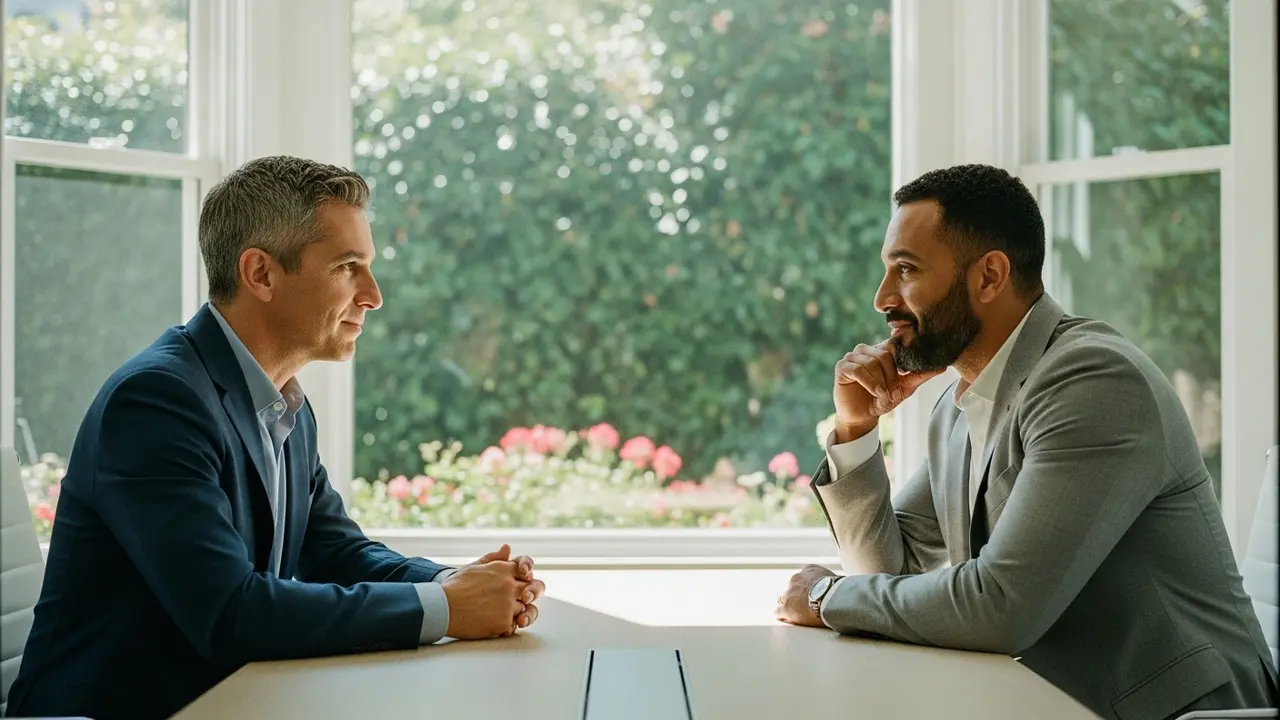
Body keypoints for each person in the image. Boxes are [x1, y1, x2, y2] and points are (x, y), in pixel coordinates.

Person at [6, 156, 546, 720]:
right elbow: (231, 614)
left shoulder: (283, 400)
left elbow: (334, 550)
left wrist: (453, 581)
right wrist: (446, 607)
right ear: (261, 273)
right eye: (347, 267)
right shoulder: (155, 403)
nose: (373, 295)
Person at [774, 164, 1278, 719]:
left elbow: (1001, 605)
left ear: (989, 276)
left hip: (1183, 714)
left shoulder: (1094, 380)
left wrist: (827, 599)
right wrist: (856, 430)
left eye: (906, 270)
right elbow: (888, 573)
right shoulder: (958, 406)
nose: (882, 298)